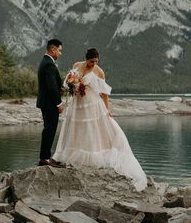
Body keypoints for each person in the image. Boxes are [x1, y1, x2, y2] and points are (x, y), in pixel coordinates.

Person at [53, 47, 147, 191]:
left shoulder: (99, 71)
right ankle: (73, 154)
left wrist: (107, 109)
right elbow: (69, 84)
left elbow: (103, 93)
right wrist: (73, 86)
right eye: (91, 61)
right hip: (78, 104)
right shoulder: (76, 65)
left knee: (93, 129)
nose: (93, 64)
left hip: (92, 103)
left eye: (96, 61)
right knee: (77, 128)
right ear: (86, 59)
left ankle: (93, 156)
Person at [37, 38, 64, 166]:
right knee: (50, 130)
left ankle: (45, 156)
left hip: (46, 102)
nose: (60, 53)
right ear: (52, 50)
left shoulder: (46, 61)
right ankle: (45, 158)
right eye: (59, 50)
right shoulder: (48, 64)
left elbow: (53, 84)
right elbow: (51, 86)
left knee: (48, 129)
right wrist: (59, 103)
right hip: (50, 104)